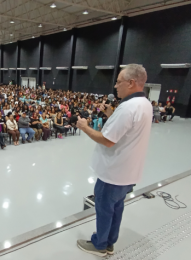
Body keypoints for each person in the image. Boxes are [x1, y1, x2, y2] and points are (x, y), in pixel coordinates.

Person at [76, 64, 152, 257]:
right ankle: (110, 241)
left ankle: (100, 244)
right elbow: (127, 131)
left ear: (131, 82)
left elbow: (108, 140)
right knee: (117, 208)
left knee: (104, 208)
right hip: (128, 172)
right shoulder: (145, 104)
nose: (116, 86)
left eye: (118, 82)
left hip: (113, 172)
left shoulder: (127, 107)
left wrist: (84, 127)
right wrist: (112, 116)